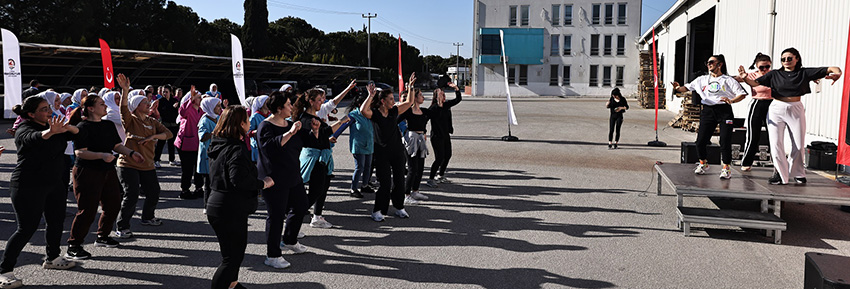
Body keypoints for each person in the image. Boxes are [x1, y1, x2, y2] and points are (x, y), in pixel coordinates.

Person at [0, 96, 80, 289]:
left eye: (48, 107)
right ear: (31, 114)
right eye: (44, 109)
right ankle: (5, 271)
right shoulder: (24, 129)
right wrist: (50, 132)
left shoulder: (55, 127)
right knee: (26, 228)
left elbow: (78, 133)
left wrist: (66, 128)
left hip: (54, 184)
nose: (49, 111)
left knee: (56, 221)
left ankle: (52, 258)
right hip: (28, 185)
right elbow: (32, 138)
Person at [739, 48, 842, 184]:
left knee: (798, 145)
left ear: (797, 59)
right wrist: (745, 78)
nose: (786, 61)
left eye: (789, 58)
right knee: (776, 144)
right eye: (783, 59)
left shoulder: (803, 72)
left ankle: (798, 173)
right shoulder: (775, 74)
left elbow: (832, 68)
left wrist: (838, 74)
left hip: (796, 108)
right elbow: (755, 83)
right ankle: (780, 175)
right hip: (776, 108)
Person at [66, 92, 144, 260]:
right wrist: (101, 155)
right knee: (87, 209)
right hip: (87, 171)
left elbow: (116, 145)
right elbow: (80, 152)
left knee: (113, 204)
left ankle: (103, 236)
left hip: (107, 170)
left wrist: (131, 152)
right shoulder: (83, 127)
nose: (106, 106)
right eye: (102, 104)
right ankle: (74, 245)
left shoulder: (107, 125)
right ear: (91, 108)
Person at [207, 105, 274, 289]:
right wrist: (263, 183)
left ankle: (232, 285)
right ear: (240, 124)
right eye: (246, 119)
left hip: (218, 204)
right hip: (229, 208)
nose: (250, 122)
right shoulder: (235, 148)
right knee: (232, 259)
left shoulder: (219, 143)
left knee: (231, 256)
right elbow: (238, 179)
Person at [257, 91, 315, 269]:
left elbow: (307, 140)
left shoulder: (290, 125)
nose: (292, 107)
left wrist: (319, 131)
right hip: (273, 178)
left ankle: (289, 240)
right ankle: (272, 255)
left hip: (292, 176)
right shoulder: (265, 126)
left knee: (300, 206)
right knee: (276, 216)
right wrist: (290, 132)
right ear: (279, 108)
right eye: (289, 104)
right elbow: (270, 148)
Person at [114, 75, 174, 239]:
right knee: (131, 194)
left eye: (148, 103)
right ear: (136, 106)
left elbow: (168, 134)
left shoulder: (151, 121)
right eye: (145, 103)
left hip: (147, 164)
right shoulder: (130, 120)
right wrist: (125, 91)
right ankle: (122, 226)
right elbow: (123, 108)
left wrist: (153, 137)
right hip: (128, 163)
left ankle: (147, 217)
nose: (149, 104)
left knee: (154, 192)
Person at [671, 54, 748, 179]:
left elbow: (742, 94)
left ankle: (726, 168)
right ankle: (703, 163)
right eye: (707, 62)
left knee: (724, 140)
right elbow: (687, 87)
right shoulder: (701, 80)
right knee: (700, 141)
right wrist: (678, 88)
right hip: (708, 111)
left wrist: (731, 100)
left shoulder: (728, 80)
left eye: (711, 62)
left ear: (720, 64)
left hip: (724, 110)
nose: (709, 64)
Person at [361, 74, 416, 221]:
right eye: (391, 99)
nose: (394, 101)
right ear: (383, 101)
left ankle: (399, 207)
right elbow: (362, 111)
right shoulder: (375, 114)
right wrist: (370, 96)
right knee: (385, 183)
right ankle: (378, 211)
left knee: (399, 181)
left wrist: (410, 87)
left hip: (397, 151)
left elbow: (410, 101)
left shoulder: (394, 111)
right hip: (381, 153)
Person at [293, 88, 349, 228]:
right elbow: (318, 135)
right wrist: (342, 121)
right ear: (311, 101)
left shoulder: (315, 118)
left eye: (322, 99)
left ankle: (316, 216)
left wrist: (327, 140)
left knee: (322, 188)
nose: (322, 102)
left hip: (322, 158)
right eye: (319, 100)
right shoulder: (306, 119)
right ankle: (293, 217)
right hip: (314, 160)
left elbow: (322, 135)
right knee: (315, 191)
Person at [735, 53, 774, 171]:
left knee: (774, 135)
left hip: (772, 104)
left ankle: (777, 163)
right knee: (753, 135)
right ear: (757, 66)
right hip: (757, 103)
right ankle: (747, 162)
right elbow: (735, 79)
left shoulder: (774, 75)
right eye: (761, 67)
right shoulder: (751, 75)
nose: (764, 70)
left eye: (767, 67)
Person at [399, 87, 435, 204]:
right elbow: (395, 121)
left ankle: (415, 191)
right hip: (411, 140)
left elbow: (437, 112)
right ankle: (406, 195)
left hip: (421, 140)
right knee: (412, 168)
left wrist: (438, 99)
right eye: (421, 95)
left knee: (420, 168)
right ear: (415, 98)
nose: (423, 97)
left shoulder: (425, 111)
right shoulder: (408, 112)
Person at [426, 81, 462, 188]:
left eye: (444, 93)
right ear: (437, 96)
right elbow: (424, 119)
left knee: (447, 155)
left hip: (445, 135)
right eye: (441, 94)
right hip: (436, 137)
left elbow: (458, 99)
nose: (444, 95)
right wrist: (422, 131)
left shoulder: (446, 105)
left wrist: (456, 88)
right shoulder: (433, 108)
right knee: (439, 158)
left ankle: (440, 175)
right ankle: (430, 179)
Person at [175, 87, 205, 199]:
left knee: (198, 167)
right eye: (198, 98)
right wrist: (189, 100)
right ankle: (185, 189)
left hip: (198, 144)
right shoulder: (187, 110)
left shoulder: (201, 110)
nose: (200, 99)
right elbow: (182, 111)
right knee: (187, 168)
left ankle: (198, 188)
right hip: (186, 144)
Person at [346, 93, 376, 198]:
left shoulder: (370, 114)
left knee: (368, 166)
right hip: (358, 146)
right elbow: (342, 126)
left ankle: (365, 185)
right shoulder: (353, 115)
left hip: (369, 145)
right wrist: (333, 136)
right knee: (360, 167)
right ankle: (353, 189)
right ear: (360, 104)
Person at [198, 97, 223, 205]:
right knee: (208, 182)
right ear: (211, 107)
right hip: (207, 153)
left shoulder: (217, 118)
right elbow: (202, 137)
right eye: (217, 106)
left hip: (217, 152)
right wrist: (214, 133)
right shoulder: (205, 120)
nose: (219, 108)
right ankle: (206, 205)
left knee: (216, 180)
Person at [155, 85, 179, 168]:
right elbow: (161, 112)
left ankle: (172, 159)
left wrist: (176, 107)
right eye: (163, 92)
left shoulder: (175, 100)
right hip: (164, 125)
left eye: (166, 92)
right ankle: (156, 160)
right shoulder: (160, 101)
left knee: (171, 143)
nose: (164, 93)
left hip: (173, 125)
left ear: (170, 92)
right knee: (161, 143)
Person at [248, 95, 270, 162]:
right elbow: (248, 132)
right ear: (262, 104)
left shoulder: (271, 115)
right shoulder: (255, 117)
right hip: (257, 147)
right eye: (267, 102)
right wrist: (256, 132)